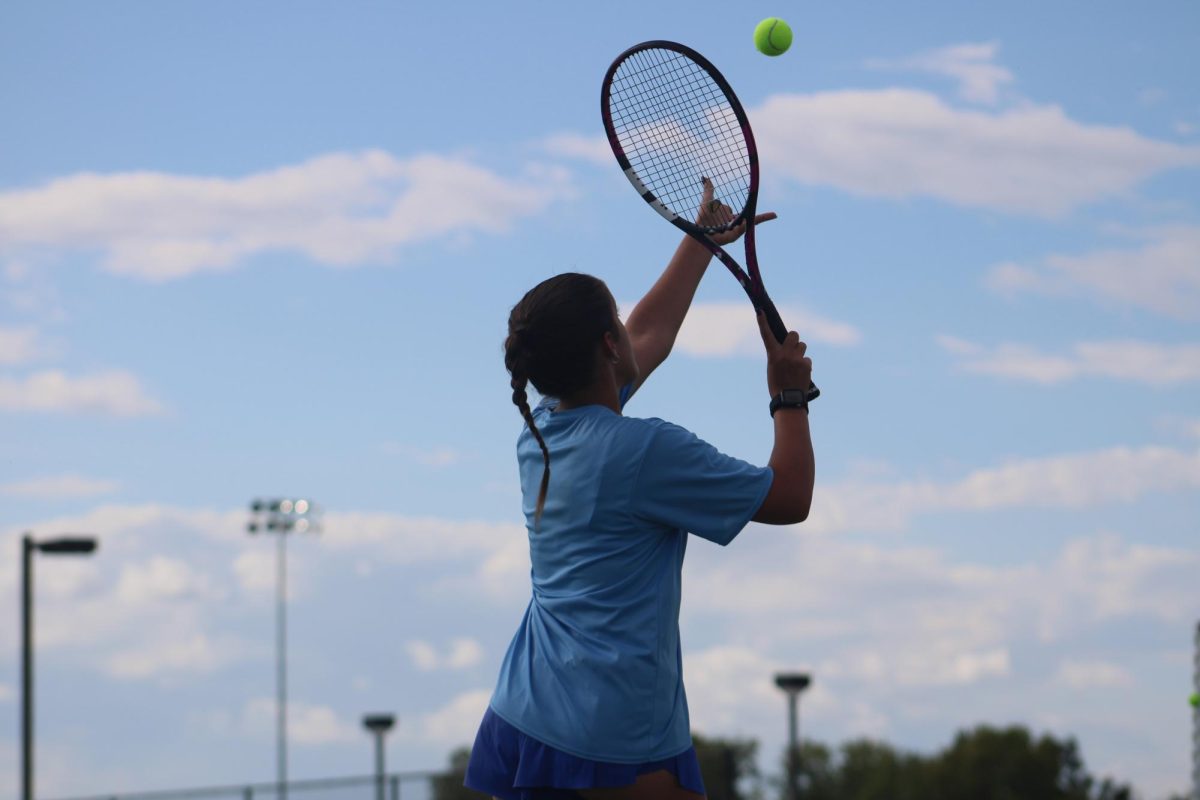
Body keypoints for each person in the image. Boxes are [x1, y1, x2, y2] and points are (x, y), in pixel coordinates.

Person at [465, 181, 815, 800]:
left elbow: (644, 338)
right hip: (607, 736)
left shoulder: (542, 429)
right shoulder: (644, 451)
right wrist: (788, 394)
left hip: (522, 716)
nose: (629, 328)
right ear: (606, 346)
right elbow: (789, 500)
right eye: (616, 323)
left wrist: (700, 243)